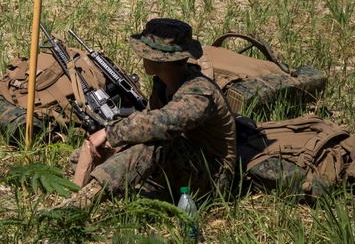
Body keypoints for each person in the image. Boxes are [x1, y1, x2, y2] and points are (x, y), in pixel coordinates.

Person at [59, 18, 236, 208]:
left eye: (145, 53)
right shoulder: (164, 83)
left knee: (155, 139)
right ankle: (125, 184)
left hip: (213, 179)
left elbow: (162, 124)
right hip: (182, 164)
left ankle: (86, 199)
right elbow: (147, 119)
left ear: (158, 59)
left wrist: (109, 132)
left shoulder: (200, 93)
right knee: (84, 156)